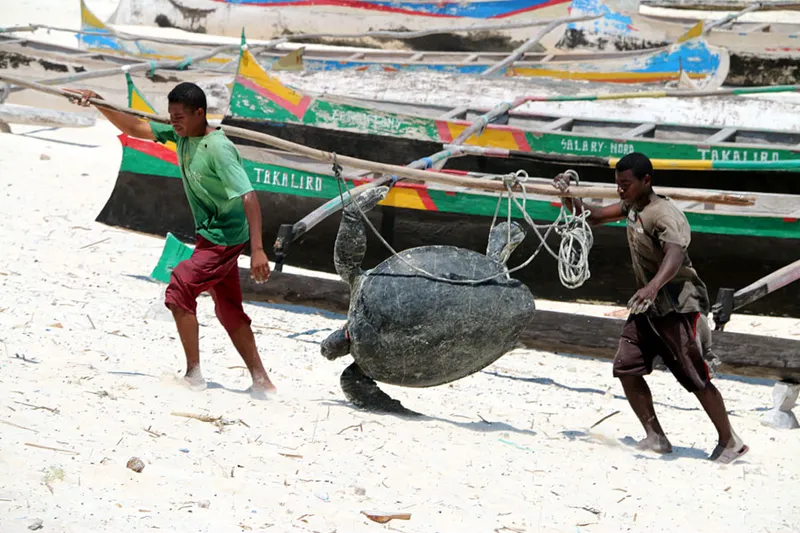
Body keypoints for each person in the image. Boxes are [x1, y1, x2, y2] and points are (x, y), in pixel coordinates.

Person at [66, 83, 277, 399]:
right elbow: (136, 126)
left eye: (179, 117)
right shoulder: (181, 134)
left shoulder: (218, 148)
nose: (174, 122)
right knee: (228, 307)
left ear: (200, 113)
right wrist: (99, 102)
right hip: (210, 237)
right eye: (171, 116)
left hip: (225, 238)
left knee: (180, 287)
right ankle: (262, 381)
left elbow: (248, 196)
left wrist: (258, 250)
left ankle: (193, 374)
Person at [552, 152, 747, 464]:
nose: (620, 190)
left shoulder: (664, 215)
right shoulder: (633, 206)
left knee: (695, 377)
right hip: (648, 306)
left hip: (678, 305)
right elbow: (593, 217)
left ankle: (730, 441)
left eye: (626, 184)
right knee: (626, 367)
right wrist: (567, 196)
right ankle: (655, 436)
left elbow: (675, 255)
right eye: (617, 184)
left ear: (646, 181)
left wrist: (652, 286)